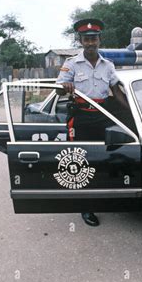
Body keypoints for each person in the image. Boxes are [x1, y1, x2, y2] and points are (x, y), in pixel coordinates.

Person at [56, 18, 130, 227]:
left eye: (94, 38)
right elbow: (57, 88)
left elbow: (116, 91)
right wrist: (66, 87)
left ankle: (104, 196)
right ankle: (86, 206)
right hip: (81, 117)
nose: (91, 43)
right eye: (87, 39)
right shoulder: (71, 64)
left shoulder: (108, 65)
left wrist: (131, 110)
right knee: (82, 161)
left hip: (102, 115)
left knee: (105, 158)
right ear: (81, 41)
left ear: (99, 40)